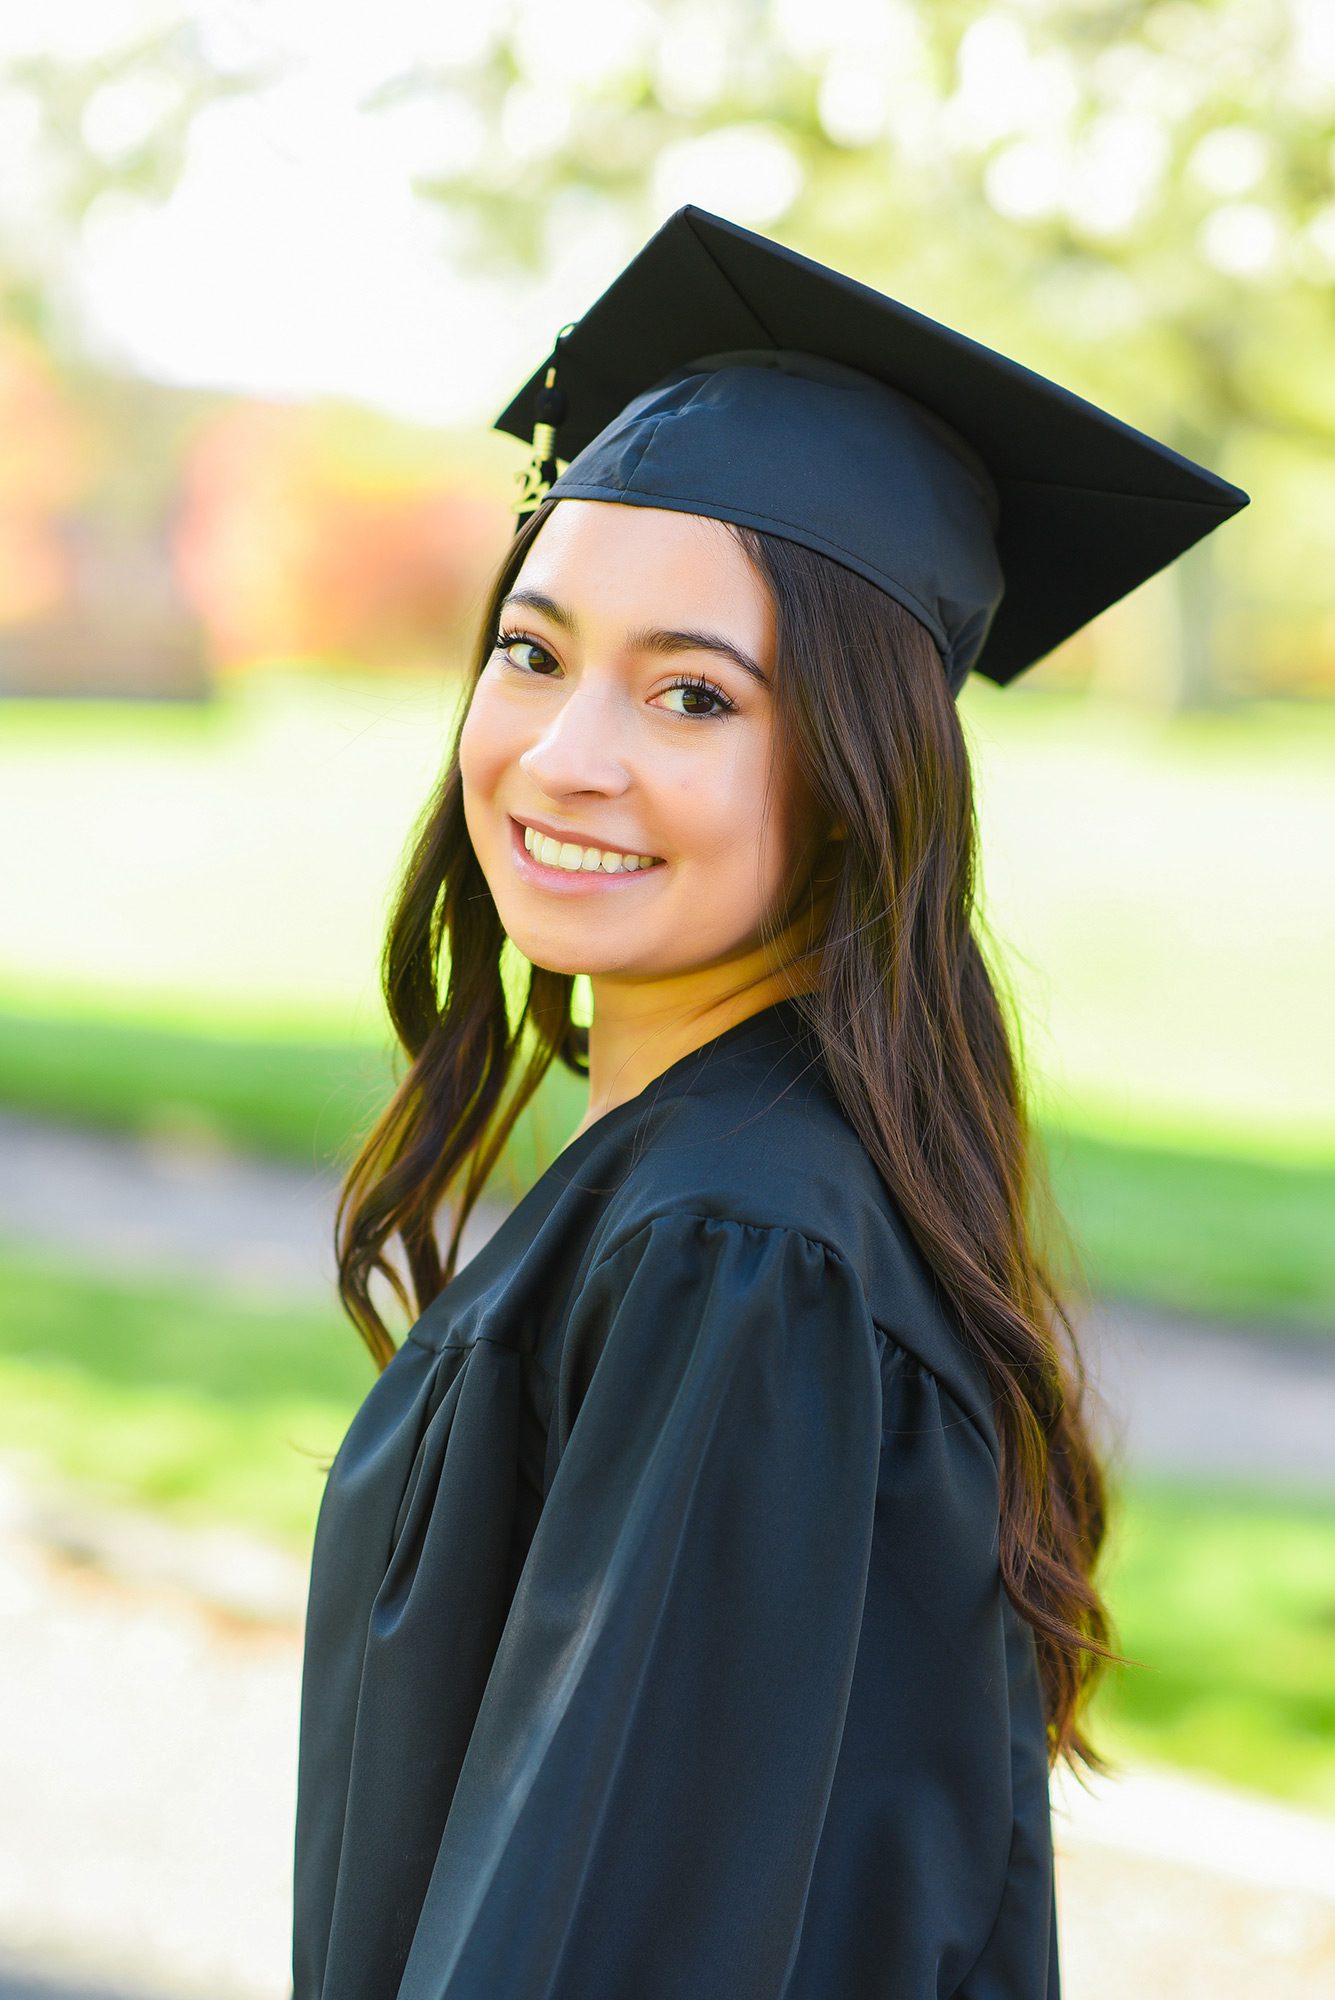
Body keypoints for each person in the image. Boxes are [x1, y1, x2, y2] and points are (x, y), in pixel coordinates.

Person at [290, 206, 1249, 1999]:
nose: (569, 754)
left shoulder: (738, 1257)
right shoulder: (722, 1182)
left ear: (861, 771)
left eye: (693, 692)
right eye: (533, 649)